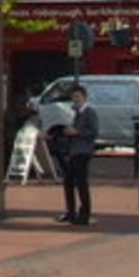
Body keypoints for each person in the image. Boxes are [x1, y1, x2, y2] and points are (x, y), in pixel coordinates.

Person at [54, 83, 98, 225]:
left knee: (80, 182)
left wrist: (77, 132)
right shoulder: (77, 113)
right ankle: (71, 212)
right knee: (69, 181)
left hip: (83, 152)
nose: (75, 99)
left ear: (84, 97)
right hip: (74, 151)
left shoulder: (89, 112)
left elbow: (93, 131)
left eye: (78, 97)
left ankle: (83, 214)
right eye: (74, 97)